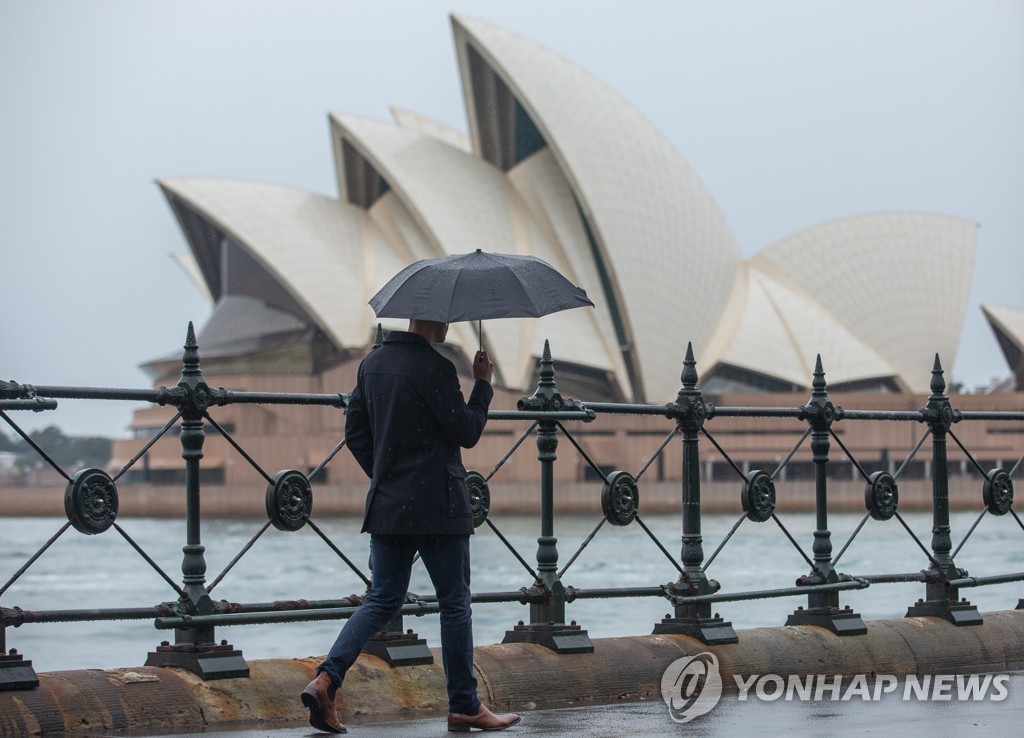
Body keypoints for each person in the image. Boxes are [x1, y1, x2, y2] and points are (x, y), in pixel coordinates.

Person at [301, 319, 521, 734]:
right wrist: (482, 385)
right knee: (454, 602)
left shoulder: (371, 365)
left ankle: (327, 679)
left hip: (389, 504)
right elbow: (467, 431)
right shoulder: (436, 368)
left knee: (382, 598)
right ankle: (464, 706)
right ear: (433, 319)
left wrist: (387, 476)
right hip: (439, 503)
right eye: (446, 318)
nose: (449, 325)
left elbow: (355, 434)